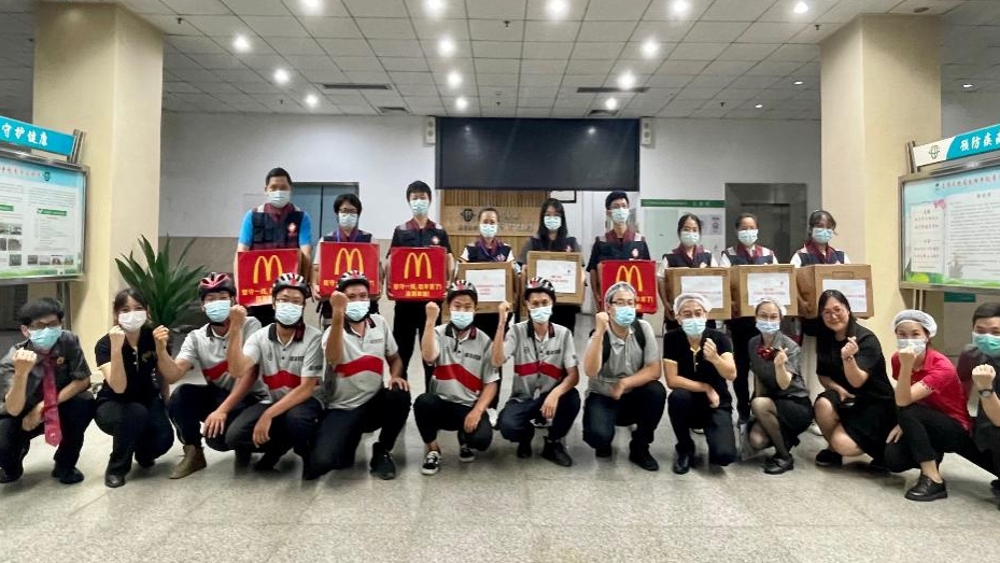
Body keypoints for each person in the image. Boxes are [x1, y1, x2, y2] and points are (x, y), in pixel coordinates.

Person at [156, 273, 269, 479]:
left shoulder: (251, 325)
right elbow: (173, 375)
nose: (217, 303)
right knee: (181, 395)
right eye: (210, 299)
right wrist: (161, 350)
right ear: (202, 306)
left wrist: (221, 411)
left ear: (234, 301)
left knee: (223, 438)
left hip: (252, 397)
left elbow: (248, 375)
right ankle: (194, 453)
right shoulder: (196, 337)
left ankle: (253, 444)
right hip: (221, 393)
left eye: (223, 297)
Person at [307, 271, 410, 481]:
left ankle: (382, 449)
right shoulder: (332, 332)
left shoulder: (379, 323)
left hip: (373, 404)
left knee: (399, 394)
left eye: (363, 296)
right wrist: (337, 314)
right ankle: (348, 439)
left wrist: (395, 376)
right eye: (351, 297)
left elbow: (395, 358)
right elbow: (333, 357)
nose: (358, 301)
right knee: (323, 462)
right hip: (342, 408)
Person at [224, 273, 324, 474]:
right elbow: (237, 369)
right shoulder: (259, 337)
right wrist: (235, 328)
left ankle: (307, 454)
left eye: (296, 301)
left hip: (306, 402)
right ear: (273, 303)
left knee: (296, 420)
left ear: (303, 306)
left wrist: (268, 415)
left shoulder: (314, 338)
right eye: (284, 300)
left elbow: (306, 388)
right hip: (273, 400)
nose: (290, 306)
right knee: (235, 436)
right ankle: (278, 448)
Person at [882, 310, 980, 502]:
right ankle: (932, 455)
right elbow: (904, 393)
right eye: (902, 334)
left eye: (915, 334)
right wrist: (904, 423)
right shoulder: (897, 359)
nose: (908, 340)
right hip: (922, 418)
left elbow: (903, 401)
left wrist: (906, 366)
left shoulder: (942, 366)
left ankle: (933, 479)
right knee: (894, 459)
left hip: (954, 427)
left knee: (908, 409)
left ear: (927, 336)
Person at [0, 298, 94, 485]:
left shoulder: (68, 341)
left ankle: (65, 464)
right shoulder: (12, 360)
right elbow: (13, 409)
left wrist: (44, 406)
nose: (47, 330)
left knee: (84, 402)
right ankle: (12, 465)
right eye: (39, 326)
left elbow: (83, 380)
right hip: (20, 414)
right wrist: (21, 374)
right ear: (26, 330)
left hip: (56, 405)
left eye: (52, 324)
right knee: (2, 442)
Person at [492, 277, 580, 467]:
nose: (540, 307)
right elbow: (497, 361)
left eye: (545, 303)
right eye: (535, 303)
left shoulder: (563, 333)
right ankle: (526, 434)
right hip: (523, 398)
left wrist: (555, 394)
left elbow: (574, 376)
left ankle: (553, 442)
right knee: (508, 426)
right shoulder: (516, 331)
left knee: (572, 398)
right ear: (527, 305)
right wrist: (501, 324)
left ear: (552, 303)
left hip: (550, 396)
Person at [413, 281, 499, 475]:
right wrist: (429, 321)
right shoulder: (437, 332)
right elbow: (428, 357)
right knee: (423, 403)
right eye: (457, 306)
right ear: (448, 308)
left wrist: (477, 411)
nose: (462, 311)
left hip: (468, 406)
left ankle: (465, 438)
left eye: (467, 307)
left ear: (475, 310)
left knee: (482, 440)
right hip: (441, 404)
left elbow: (491, 383)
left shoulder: (485, 341)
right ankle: (433, 450)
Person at [93, 289, 174, 488]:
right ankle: (116, 468)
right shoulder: (105, 344)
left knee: (164, 439)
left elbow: (163, 374)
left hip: (147, 397)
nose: (132, 314)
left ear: (147, 311)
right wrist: (116, 348)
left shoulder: (153, 337)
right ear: (116, 314)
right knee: (134, 414)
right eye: (125, 310)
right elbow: (118, 387)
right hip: (113, 402)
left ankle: (141, 451)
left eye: (138, 309)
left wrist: (166, 402)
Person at [581, 282, 665, 471]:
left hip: (632, 396)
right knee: (599, 439)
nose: (626, 307)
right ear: (608, 307)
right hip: (603, 396)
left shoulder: (643, 329)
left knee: (656, 391)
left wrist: (625, 383)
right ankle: (603, 435)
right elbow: (590, 371)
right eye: (620, 302)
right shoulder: (599, 334)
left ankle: (640, 446)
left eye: (630, 302)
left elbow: (654, 370)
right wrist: (600, 332)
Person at [812, 290, 895, 468]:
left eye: (838, 310)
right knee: (823, 404)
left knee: (843, 444)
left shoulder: (866, 339)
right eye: (827, 312)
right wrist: (837, 389)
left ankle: (881, 451)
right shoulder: (825, 337)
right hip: (847, 397)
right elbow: (823, 374)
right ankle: (833, 451)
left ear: (848, 310)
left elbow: (858, 381)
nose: (833, 316)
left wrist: (848, 358)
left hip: (874, 401)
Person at [389, 180, 454, 388]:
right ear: (409, 201)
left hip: (431, 305)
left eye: (422, 197)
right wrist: (389, 286)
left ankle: (431, 399)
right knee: (402, 353)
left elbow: (449, 259)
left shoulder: (439, 231)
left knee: (431, 357)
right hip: (405, 305)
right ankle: (400, 398)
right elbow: (392, 261)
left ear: (430, 200)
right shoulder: (400, 230)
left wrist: (448, 283)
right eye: (414, 198)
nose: (419, 201)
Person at [664, 293, 738, 474]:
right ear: (678, 318)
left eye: (698, 313)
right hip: (688, 400)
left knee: (724, 456)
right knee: (677, 397)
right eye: (687, 314)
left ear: (706, 315)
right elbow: (672, 380)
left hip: (716, 402)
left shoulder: (720, 339)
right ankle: (685, 447)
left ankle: (714, 436)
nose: (694, 318)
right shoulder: (672, 338)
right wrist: (705, 387)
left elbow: (731, 374)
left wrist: (715, 359)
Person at [234, 167, 314, 327]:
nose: (279, 191)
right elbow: (241, 255)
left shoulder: (301, 217)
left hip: (289, 292)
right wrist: (239, 290)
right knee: (256, 333)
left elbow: (306, 253)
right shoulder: (252, 216)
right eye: (274, 187)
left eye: (283, 187)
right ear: (266, 190)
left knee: (290, 331)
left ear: (290, 189)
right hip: (258, 293)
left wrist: (304, 285)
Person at [720, 213, 779, 424]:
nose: (748, 232)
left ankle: (760, 406)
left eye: (752, 227)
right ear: (737, 231)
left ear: (758, 229)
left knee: (765, 365)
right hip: (740, 323)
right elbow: (724, 285)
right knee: (742, 367)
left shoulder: (768, 255)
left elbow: (778, 282)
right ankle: (743, 410)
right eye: (744, 228)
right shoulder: (728, 255)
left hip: (764, 322)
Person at [459, 207, 517, 414]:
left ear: (498, 225)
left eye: (492, 222)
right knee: (473, 357)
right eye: (485, 221)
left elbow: (514, 278)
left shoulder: (506, 251)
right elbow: (460, 273)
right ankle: (472, 400)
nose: (489, 225)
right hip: (475, 314)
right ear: (479, 224)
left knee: (495, 359)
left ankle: (492, 406)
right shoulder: (470, 249)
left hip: (497, 315)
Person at [745, 298, 811, 475]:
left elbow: (784, 383)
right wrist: (755, 412)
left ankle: (785, 456)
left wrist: (780, 365)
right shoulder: (753, 343)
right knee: (756, 440)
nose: (768, 321)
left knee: (759, 404)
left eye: (773, 317)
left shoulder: (790, 347)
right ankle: (786, 438)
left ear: (780, 319)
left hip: (795, 403)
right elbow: (758, 376)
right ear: (755, 317)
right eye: (763, 316)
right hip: (772, 402)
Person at [956, 302, 1000, 508]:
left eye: (996, 332)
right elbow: (960, 389)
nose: (987, 337)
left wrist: (985, 389)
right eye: (980, 331)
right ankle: (930, 475)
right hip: (985, 427)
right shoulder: (971, 354)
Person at [314, 193, 380, 326]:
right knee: (333, 337)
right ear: (337, 213)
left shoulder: (369, 240)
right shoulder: (326, 241)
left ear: (358, 215)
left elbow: (378, 270)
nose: (348, 215)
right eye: (344, 211)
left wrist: (379, 286)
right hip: (332, 305)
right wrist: (315, 286)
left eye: (352, 211)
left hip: (362, 305)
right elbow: (316, 269)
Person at [518, 198, 582, 334]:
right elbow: (522, 271)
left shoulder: (572, 242)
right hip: (539, 305)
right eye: (548, 215)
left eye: (556, 215)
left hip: (566, 306)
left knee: (564, 339)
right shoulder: (532, 242)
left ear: (562, 218)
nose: (552, 218)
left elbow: (580, 273)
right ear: (542, 217)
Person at [586, 191, 651, 312]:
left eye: (624, 206)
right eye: (616, 207)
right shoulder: (601, 242)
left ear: (628, 210)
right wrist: (597, 297)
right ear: (609, 212)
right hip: (610, 304)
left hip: (633, 304)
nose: (621, 210)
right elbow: (593, 271)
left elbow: (648, 272)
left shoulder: (639, 241)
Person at [657, 213, 719, 331]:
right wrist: (666, 304)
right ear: (679, 232)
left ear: (699, 233)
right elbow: (661, 281)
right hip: (678, 315)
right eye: (686, 229)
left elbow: (718, 279)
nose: (691, 233)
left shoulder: (707, 256)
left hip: (703, 315)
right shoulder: (670, 256)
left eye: (694, 230)